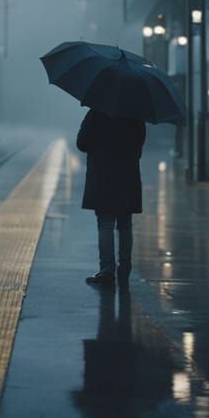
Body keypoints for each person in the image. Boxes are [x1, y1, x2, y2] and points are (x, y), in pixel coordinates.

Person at [76, 105, 146, 287]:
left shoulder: (96, 113)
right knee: (125, 224)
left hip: (102, 175)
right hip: (127, 176)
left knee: (105, 224)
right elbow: (139, 148)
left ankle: (107, 270)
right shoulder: (135, 115)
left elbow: (81, 143)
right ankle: (125, 267)